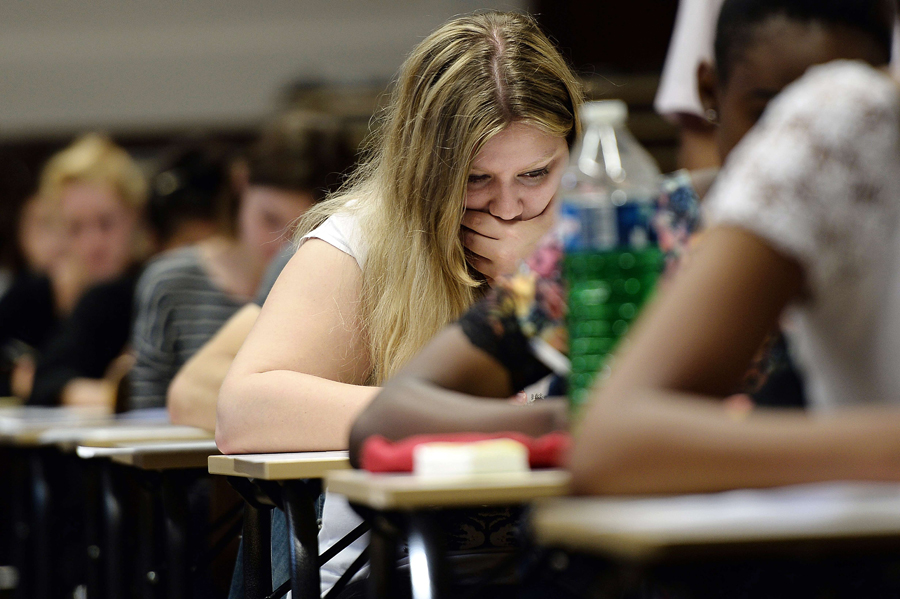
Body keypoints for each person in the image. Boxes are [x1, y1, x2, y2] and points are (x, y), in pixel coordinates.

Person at [350, 0, 896, 457]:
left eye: (850, 122)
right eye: (770, 111)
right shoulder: (642, 231)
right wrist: (581, 420)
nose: (801, 151)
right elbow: (391, 414)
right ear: (709, 93)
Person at [215, 11, 582, 596]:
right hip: (385, 570)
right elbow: (242, 412)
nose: (510, 208)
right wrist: (448, 418)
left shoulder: (612, 235)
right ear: (426, 173)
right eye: (477, 179)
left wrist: (544, 275)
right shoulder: (364, 236)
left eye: (536, 174)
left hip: (552, 558)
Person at [128, 111, 350, 411]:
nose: (282, 247)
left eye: (306, 232)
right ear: (241, 183)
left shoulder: (338, 285)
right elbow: (146, 407)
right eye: (269, 218)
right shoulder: (170, 280)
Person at [0, 134, 149, 401]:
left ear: (135, 217)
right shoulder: (36, 293)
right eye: (75, 228)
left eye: (107, 223)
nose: (93, 244)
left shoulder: (153, 286)